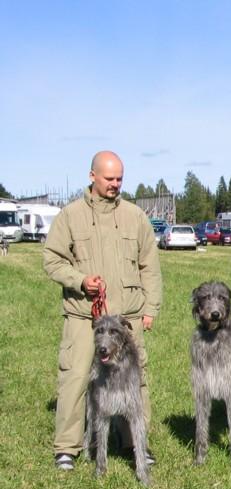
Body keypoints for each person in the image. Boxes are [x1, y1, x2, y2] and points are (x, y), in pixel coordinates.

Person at [43, 151, 162, 471]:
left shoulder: (135, 216)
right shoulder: (70, 215)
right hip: (84, 316)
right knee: (76, 377)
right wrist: (80, 280)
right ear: (92, 176)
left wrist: (150, 307)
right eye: (110, 178)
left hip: (127, 318)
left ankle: (135, 442)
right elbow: (52, 260)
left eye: (120, 178)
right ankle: (67, 447)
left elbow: (149, 265)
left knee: (135, 381)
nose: (115, 184)